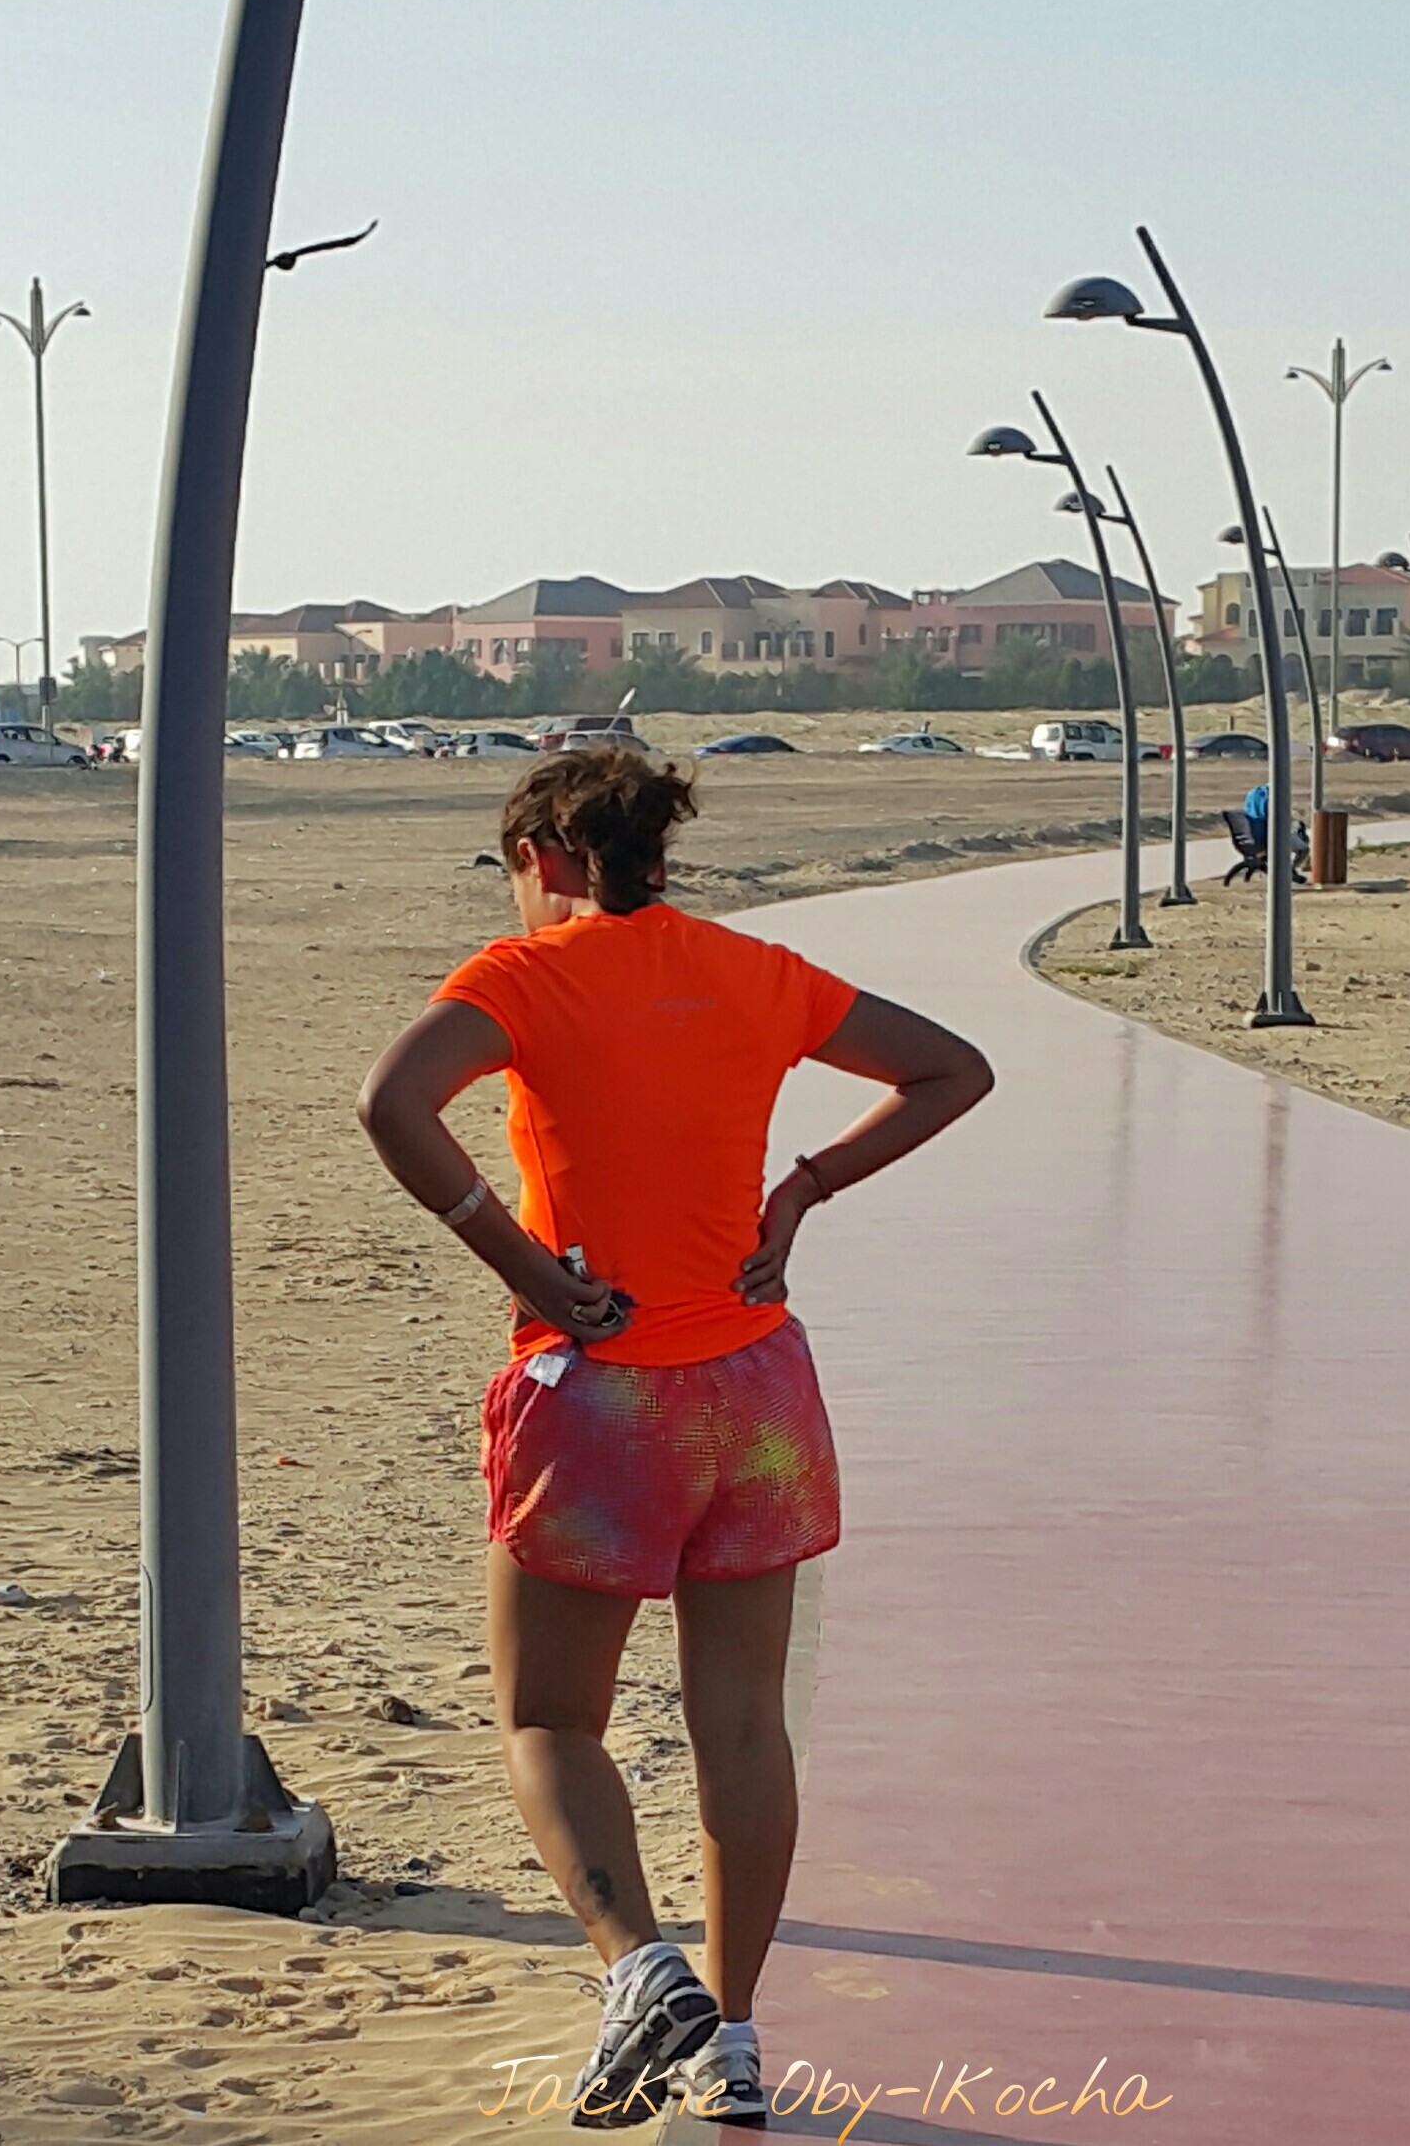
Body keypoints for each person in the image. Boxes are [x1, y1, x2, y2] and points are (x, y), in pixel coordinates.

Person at [357, 748, 992, 2128]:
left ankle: (642, 1970)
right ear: (660, 854)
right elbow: (954, 1069)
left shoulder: (524, 978)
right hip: (756, 1395)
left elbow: (392, 1104)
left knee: (548, 1718)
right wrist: (802, 1190)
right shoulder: (755, 972)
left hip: (604, 1400)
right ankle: (734, 2037)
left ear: (542, 858)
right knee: (743, 1724)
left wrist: (523, 1266)